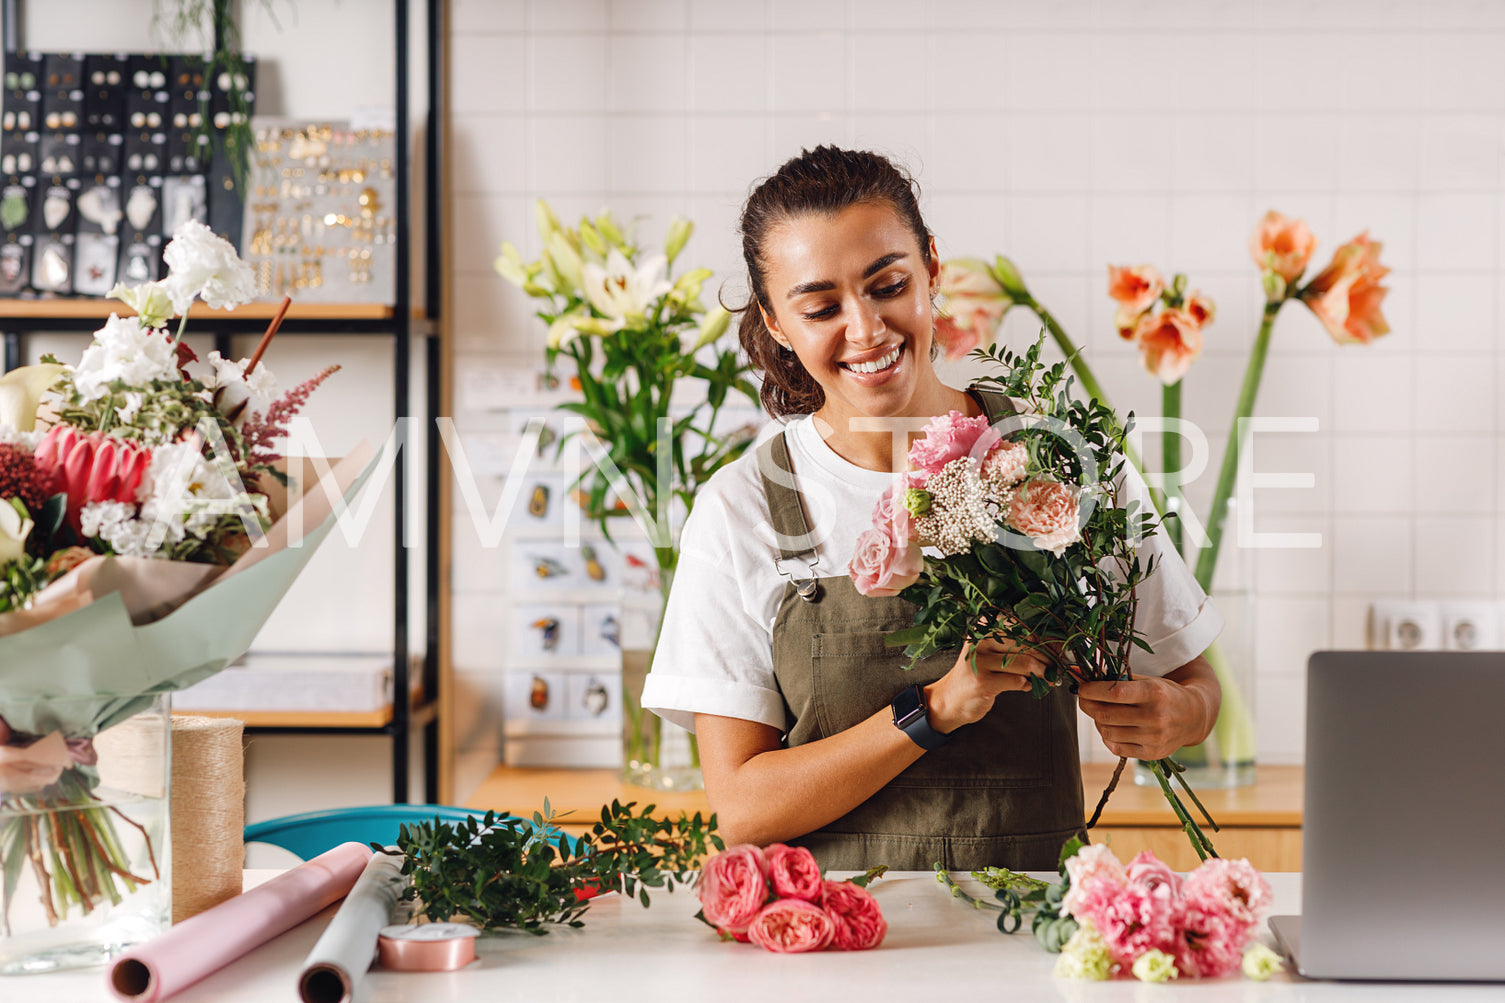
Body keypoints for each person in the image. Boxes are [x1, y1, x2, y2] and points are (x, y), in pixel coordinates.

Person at [641, 146, 1222, 871]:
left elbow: (1196, 685)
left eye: (887, 285)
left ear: (932, 270)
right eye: (820, 306)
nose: (865, 328)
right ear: (777, 323)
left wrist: (1174, 715)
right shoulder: (743, 505)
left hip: (1033, 940)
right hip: (834, 949)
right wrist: (939, 707)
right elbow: (742, 808)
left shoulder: (1053, 458)